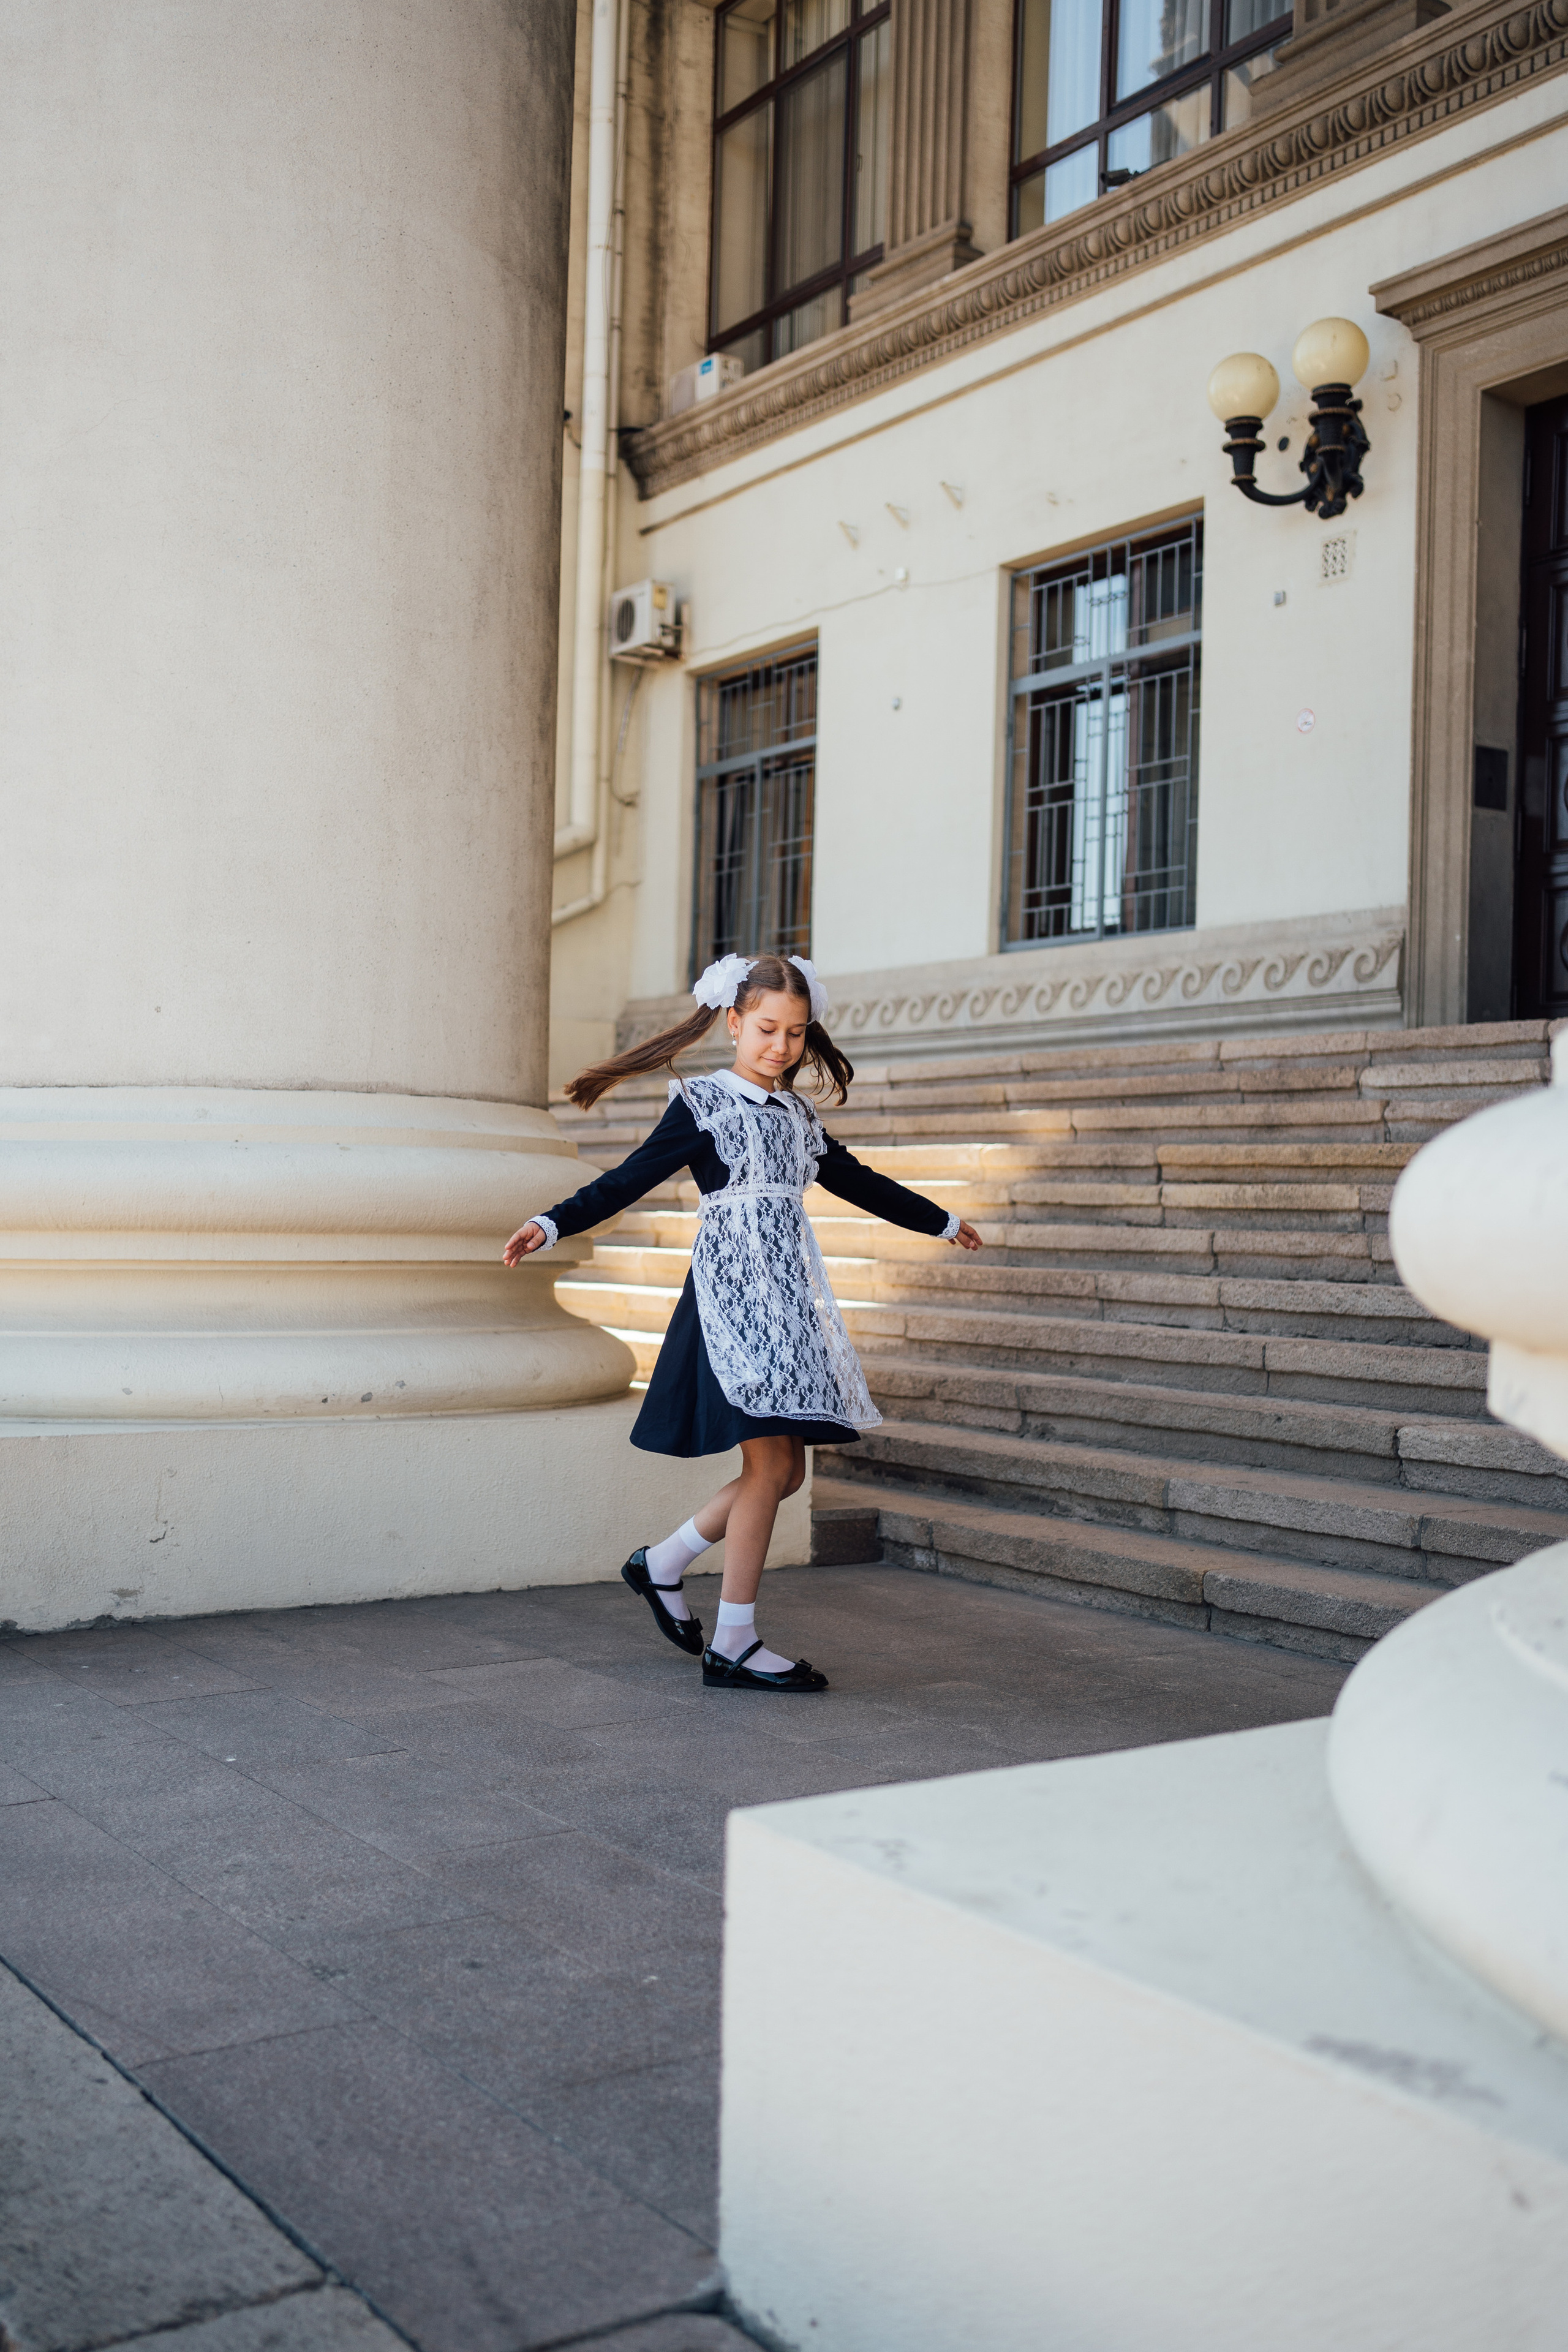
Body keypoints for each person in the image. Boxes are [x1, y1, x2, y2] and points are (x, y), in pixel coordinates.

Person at [502, 952, 982, 1694]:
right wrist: (551, 1222)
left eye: (794, 1034)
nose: (780, 1047)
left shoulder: (796, 1115)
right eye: (765, 1029)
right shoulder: (703, 1104)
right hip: (733, 1306)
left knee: (786, 1470)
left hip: (787, 1305)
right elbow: (627, 1177)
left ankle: (661, 1564)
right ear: (732, 1022)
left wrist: (942, 1220)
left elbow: (857, 1181)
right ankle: (733, 1642)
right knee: (768, 1468)